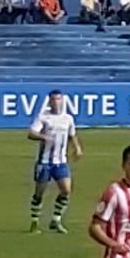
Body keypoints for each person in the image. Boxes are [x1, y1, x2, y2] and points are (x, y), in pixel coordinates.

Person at [26, 89, 83, 234]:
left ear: (62, 100)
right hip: (44, 162)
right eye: (53, 99)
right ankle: (34, 221)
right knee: (39, 193)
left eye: (58, 99)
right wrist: (43, 137)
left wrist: (77, 148)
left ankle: (56, 220)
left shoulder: (67, 118)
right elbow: (31, 133)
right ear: (49, 101)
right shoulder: (43, 118)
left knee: (66, 190)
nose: (56, 102)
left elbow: (72, 135)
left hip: (61, 161)